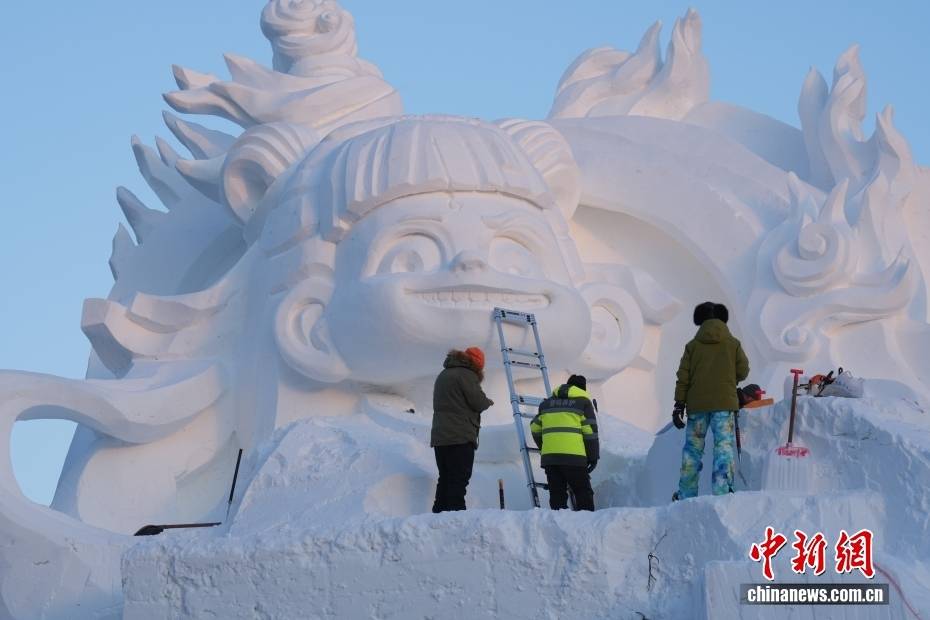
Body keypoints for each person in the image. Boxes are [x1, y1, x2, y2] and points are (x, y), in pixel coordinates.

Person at [672, 302, 750, 500]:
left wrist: (679, 405)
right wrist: (728, 380)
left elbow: (684, 377)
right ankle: (723, 492)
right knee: (723, 447)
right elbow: (743, 370)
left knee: (692, 450)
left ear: (700, 320)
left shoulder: (692, 346)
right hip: (724, 406)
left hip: (697, 407)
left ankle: (686, 495)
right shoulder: (733, 344)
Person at [430, 347, 494, 512]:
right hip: (459, 437)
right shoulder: (466, 375)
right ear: (477, 364)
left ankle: (437, 517)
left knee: (445, 479)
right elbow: (477, 401)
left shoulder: (443, 374)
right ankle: (457, 519)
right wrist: (488, 402)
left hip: (440, 437)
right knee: (458, 480)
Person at [530, 374, 598, 511]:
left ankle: (558, 526)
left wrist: (544, 447)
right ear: (582, 389)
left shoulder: (546, 404)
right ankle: (587, 527)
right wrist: (593, 457)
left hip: (551, 459)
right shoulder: (583, 403)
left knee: (557, 495)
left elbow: (534, 427)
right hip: (575, 458)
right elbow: (590, 432)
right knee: (582, 492)